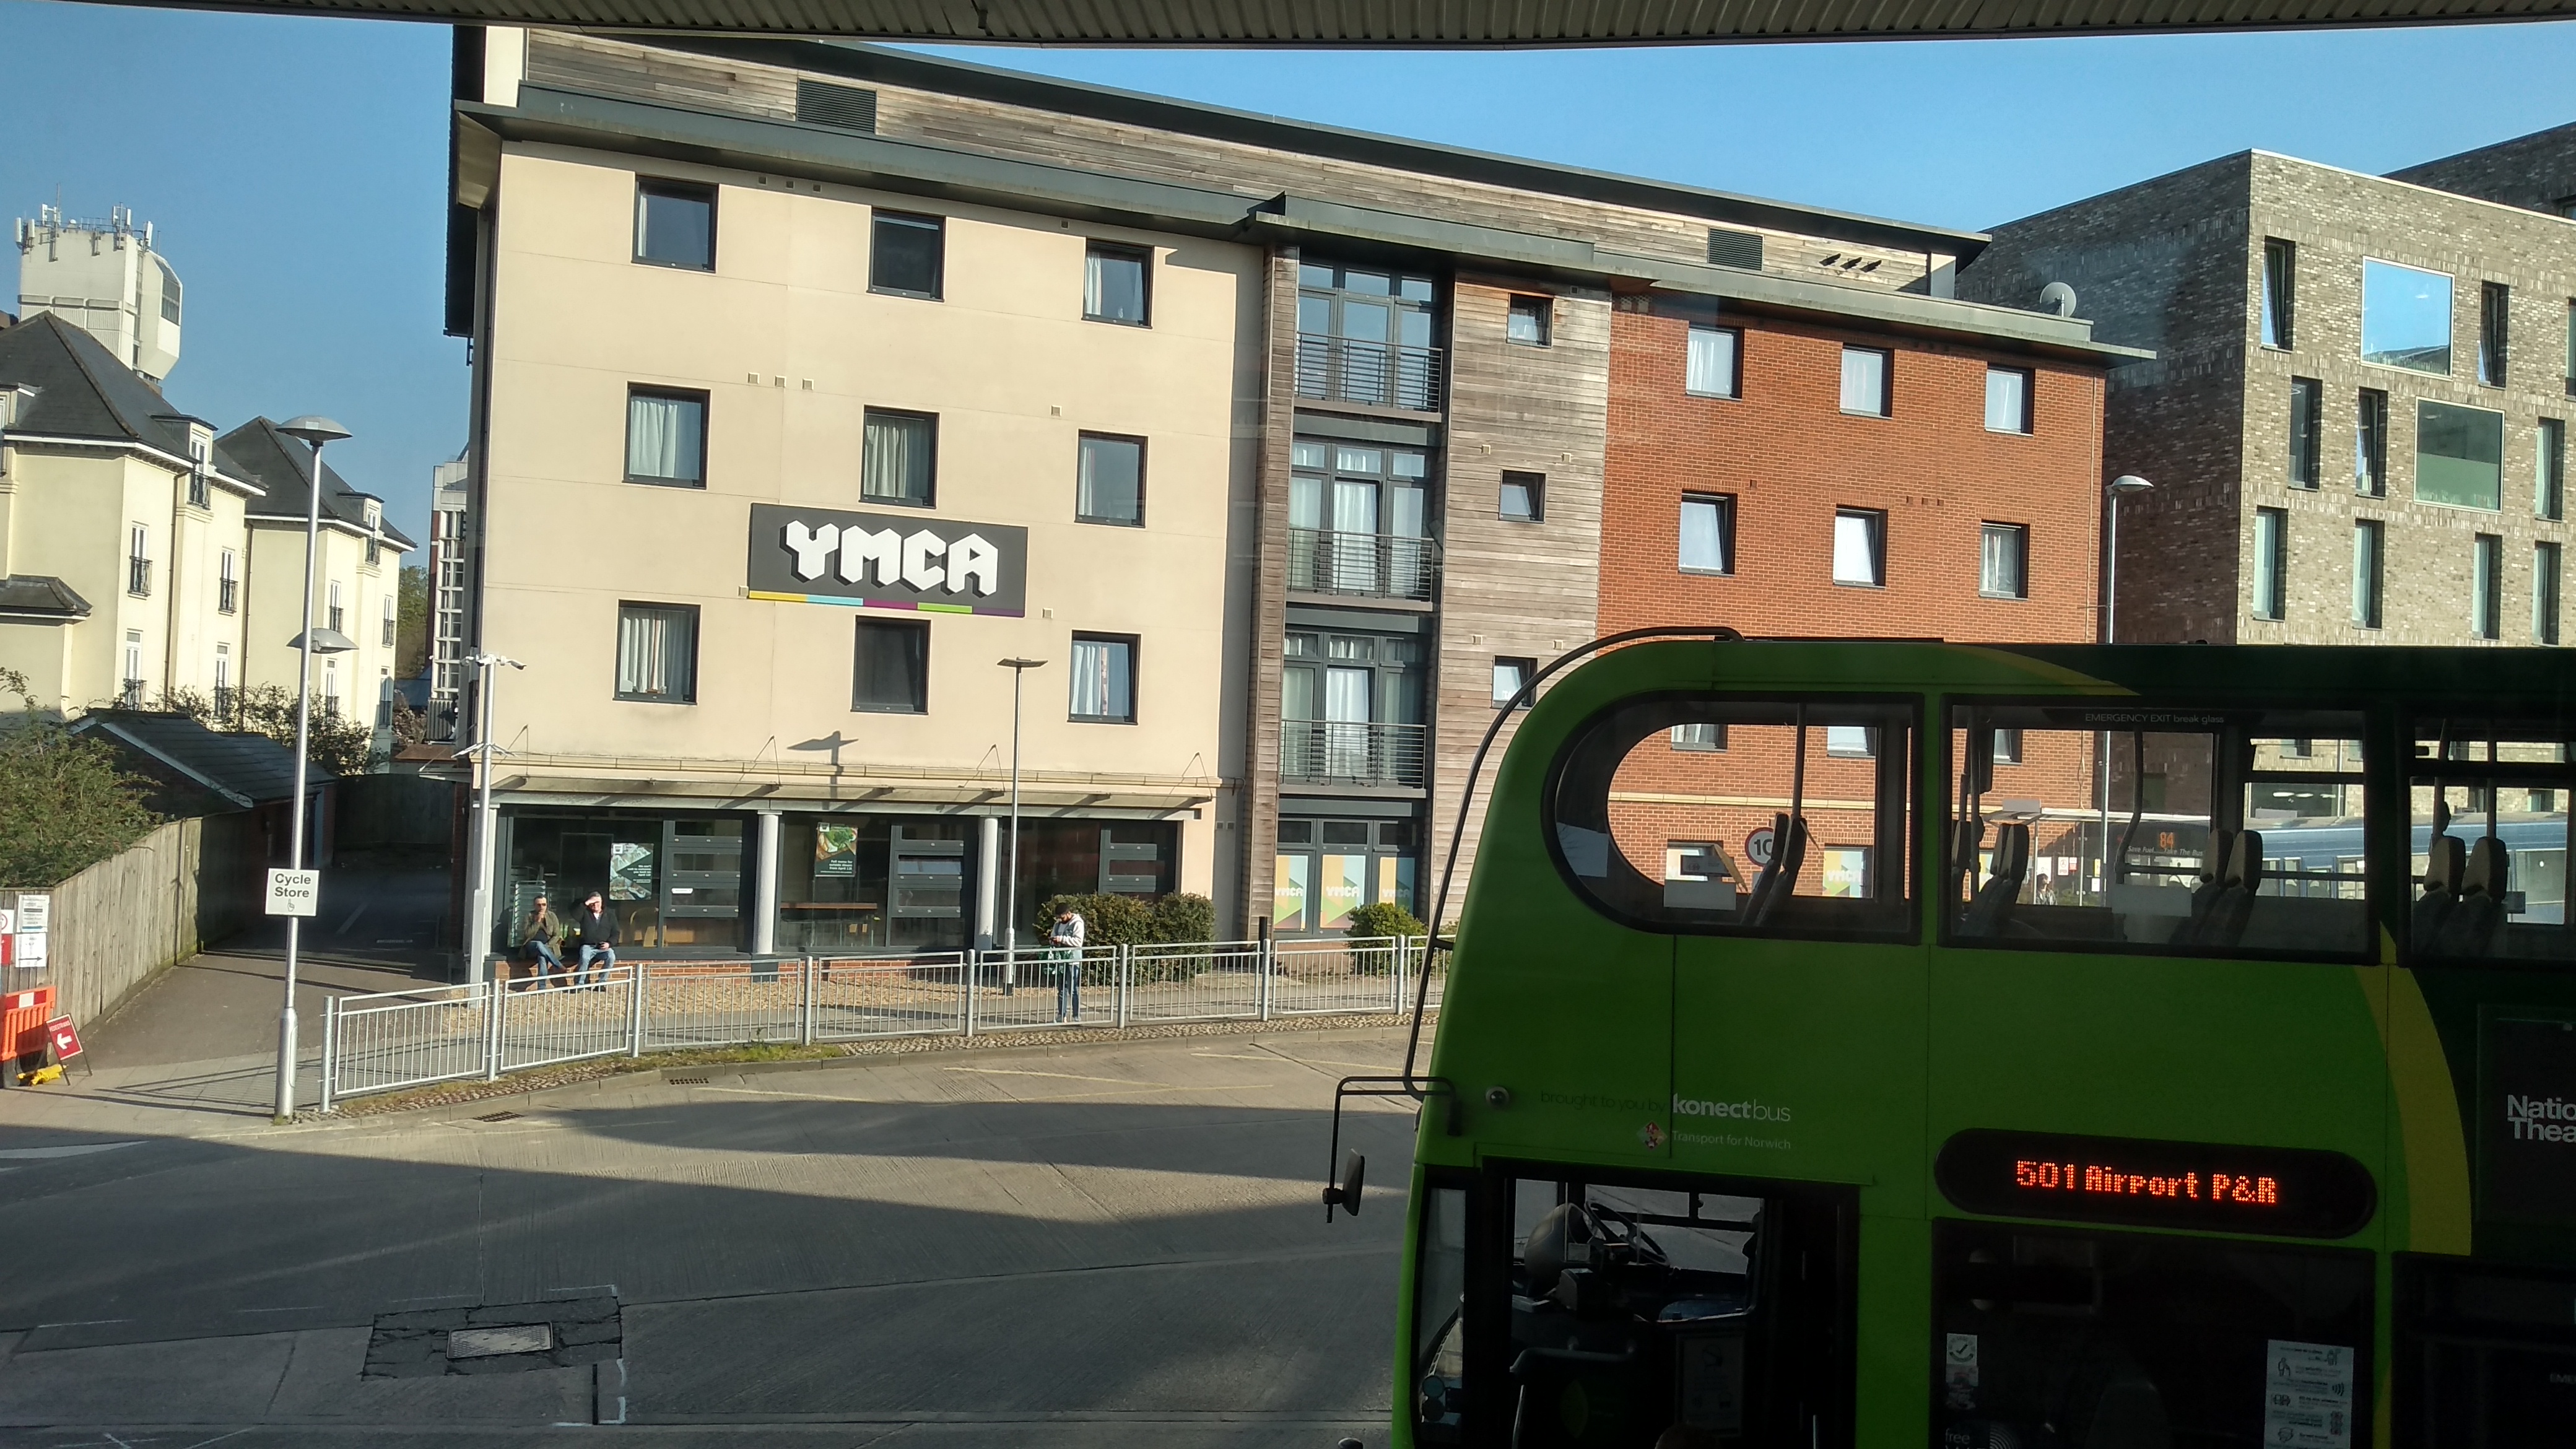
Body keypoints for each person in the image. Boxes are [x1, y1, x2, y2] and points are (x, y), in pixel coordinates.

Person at [570, 890, 618, 989]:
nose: (595, 905)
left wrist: (609, 944)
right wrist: (586, 903)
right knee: (584, 958)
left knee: (611, 957)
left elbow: (616, 933)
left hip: (603, 946)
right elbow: (575, 915)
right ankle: (579, 984)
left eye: (597, 902)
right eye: (593, 903)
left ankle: (601, 983)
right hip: (588, 945)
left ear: (602, 902)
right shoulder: (585, 913)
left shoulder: (609, 914)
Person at [1048, 905, 1087, 1022]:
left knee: (1073, 989)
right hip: (1061, 959)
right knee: (1061, 988)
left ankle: (1076, 1016)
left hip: (1073, 959)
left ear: (1069, 913)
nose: (1060, 919)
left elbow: (1078, 942)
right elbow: (1054, 935)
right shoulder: (1058, 924)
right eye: (1059, 917)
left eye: (1062, 917)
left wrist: (1061, 939)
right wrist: (1053, 940)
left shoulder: (1077, 923)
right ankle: (1062, 1014)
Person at [519, 895, 562, 989]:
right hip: (531, 946)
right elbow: (527, 934)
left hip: (547, 946)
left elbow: (557, 934)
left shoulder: (552, 916)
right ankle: (558, 965)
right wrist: (537, 922)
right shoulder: (529, 916)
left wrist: (547, 946)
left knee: (542, 958)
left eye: (544, 904)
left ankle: (542, 987)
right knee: (539, 944)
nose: (542, 907)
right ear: (534, 906)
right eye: (539, 905)